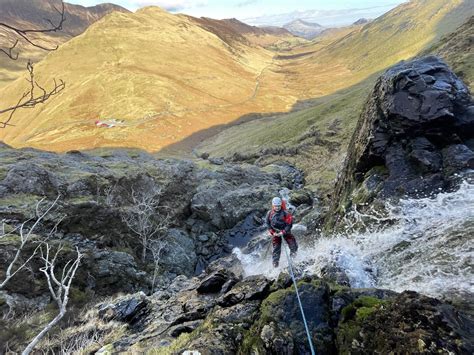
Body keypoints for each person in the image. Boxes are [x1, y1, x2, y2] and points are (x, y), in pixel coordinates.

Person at [265, 197, 298, 267]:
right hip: (275, 233)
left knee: (293, 245)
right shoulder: (269, 214)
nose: (277, 208)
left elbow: (289, 224)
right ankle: (275, 264)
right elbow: (267, 223)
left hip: (285, 232)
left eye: (279, 206)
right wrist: (272, 232)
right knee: (276, 249)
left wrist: (283, 232)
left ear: (281, 205)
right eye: (275, 206)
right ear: (273, 206)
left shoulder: (286, 213)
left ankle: (293, 260)